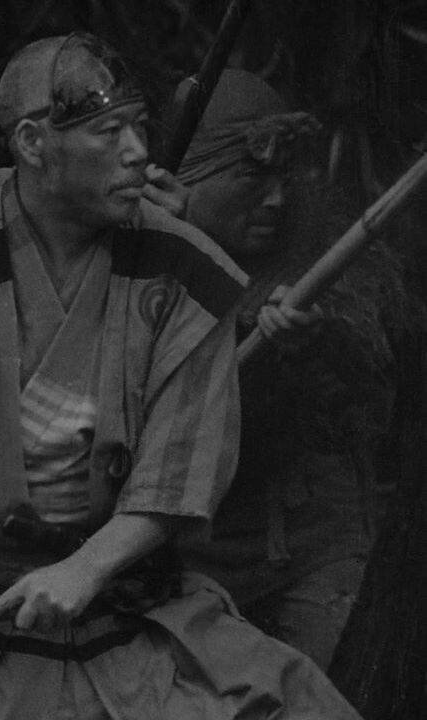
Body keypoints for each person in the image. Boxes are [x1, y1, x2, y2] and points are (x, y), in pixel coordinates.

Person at [0, 33, 362, 719]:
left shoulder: (185, 269)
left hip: (132, 601)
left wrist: (85, 568)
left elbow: (177, 469)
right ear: (32, 144)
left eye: (139, 128)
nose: (138, 152)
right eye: (109, 133)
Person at [176, 69, 410, 670]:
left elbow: (372, 401)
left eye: (283, 176)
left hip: (312, 538)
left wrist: (313, 344)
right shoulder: (138, 254)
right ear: (187, 178)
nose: (276, 198)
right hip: (187, 550)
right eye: (253, 176)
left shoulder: (321, 247)